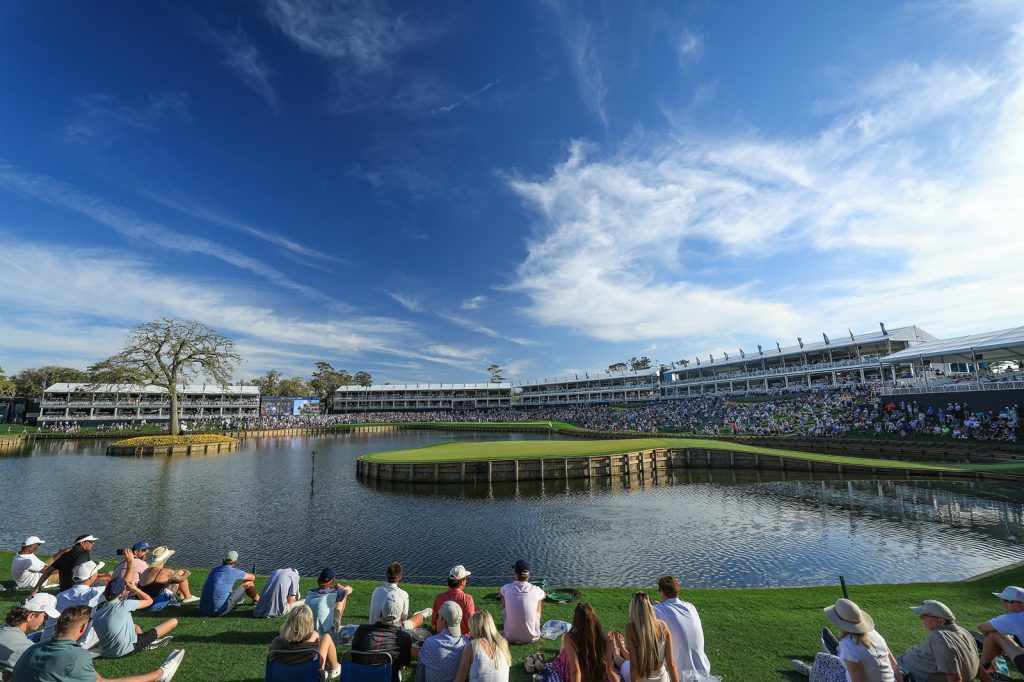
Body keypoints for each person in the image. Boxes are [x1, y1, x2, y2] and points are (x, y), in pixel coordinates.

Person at [11, 606, 184, 682]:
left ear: (56, 627)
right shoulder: (77, 656)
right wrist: (158, 673)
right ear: (84, 628)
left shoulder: (33, 648)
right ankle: (159, 674)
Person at [792, 598, 901, 682]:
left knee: (822, 671)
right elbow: (894, 666)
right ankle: (814, 671)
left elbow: (858, 680)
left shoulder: (848, 643)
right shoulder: (874, 633)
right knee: (821, 657)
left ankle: (810, 672)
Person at [92, 573, 178, 659]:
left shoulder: (97, 612)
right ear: (121, 592)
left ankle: (146, 644)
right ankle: (148, 644)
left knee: (135, 626)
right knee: (174, 621)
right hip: (127, 650)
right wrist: (135, 589)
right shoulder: (124, 605)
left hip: (108, 653)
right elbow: (149, 601)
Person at [898, 600, 978, 682]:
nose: (920, 617)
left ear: (940, 621)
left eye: (924, 616)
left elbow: (955, 678)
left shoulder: (940, 637)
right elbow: (978, 665)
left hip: (911, 673)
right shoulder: (964, 632)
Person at [652, 576, 711, 679]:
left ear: (662, 591)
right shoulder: (690, 607)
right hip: (702, 668)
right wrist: (660, 607)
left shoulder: (657, 610)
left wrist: (656, 607)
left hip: (678, 674)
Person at [612, 592, 679, 682]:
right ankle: (622, 649)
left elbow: (634, 666)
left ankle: (616, 652)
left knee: (625, 663)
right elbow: (671, 664)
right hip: (662, 679)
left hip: (642, 678)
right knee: (638, 657)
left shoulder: (631, 628)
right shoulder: (663, 627)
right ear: (650, 608)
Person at [545, 602, 617, 682]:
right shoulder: (604, 636)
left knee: (563, 654)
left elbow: (575, 671)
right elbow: (610, 670)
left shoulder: (570, 638)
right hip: (598, 675)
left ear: (576, 619)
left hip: (581, 678)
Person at [267, 604, 341, 680]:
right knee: (326, 638)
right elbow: (320, 664)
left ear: (288, 621)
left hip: (282, 678)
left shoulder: (276, 642)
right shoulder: (310, 649)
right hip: (308, 678)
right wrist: (314, 636)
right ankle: (335, 668)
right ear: (309, 623)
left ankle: (335, 668)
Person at [351, 598, 413, 682]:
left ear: (380, 612)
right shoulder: (404, 637)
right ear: (401, 616)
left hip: (357, 678)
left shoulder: (361, 629)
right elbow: (403, 664)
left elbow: (354, 653)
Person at [1, 596, 59, 680]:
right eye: (45, 616)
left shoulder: (4, 630)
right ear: (31, 616)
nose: (44, 621)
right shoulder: (27, 648)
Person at [416, 601, 470, 682]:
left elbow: (419, 676)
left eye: (438, 616)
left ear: (443, 622)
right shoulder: (467, 643)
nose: (436, 619)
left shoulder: (429, 643)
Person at [979, 586, 1024, 681]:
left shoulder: (1013, 619)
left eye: (1005, 600)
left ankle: (982, 666)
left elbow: (982, 627)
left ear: (1020, 604)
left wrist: (1001, 645)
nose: (1002, 602)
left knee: (994, 633)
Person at [32, 535, 103, 594]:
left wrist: (37, 588)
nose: (93, 544)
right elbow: (75, 570)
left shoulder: (65, 554)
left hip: (63, 590)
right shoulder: (84, 553)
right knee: (105, 581)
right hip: (75, 589)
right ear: (82, 543)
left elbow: (48, 571)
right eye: (91, 542)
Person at [370, 562, 431, 631]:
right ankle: (423, 614)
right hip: (395, 630)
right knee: (415, 619)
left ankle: (421, 614)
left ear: (387, 575)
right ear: (400, 577)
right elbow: (404, 617)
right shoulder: (403, 594)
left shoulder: (377, 590)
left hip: (373, 627)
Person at [453, 610, 511, 682]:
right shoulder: (503, 645)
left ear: (475, 629)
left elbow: (459, 680)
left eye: (471, 629)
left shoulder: (472, 647)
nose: (470, 633)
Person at [198, 550, 258, 617]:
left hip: (202, 610)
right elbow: (252, 578)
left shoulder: (214, 570)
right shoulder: (234, 572)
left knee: (227, 587)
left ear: (223, 560)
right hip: (218, 612)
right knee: (248, 583)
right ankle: (259, 601)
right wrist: (251, 575)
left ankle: (237, 601)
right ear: (236, 561)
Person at [498, 559, 545, 645]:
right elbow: (544, 595)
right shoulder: (536, 589)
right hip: (532, 636)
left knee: (503, 596)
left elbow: (501, 592)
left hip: (509, 636)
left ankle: (508, 623)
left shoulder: (506, 588)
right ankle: (534, 625)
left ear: (515, 574)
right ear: (528, 575)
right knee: (539, 599)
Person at [305, 568, 354, 635]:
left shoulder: (310, 593)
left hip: (309, 632)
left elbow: (325, 588)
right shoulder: (334, 594)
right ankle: (337, 625)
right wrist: (341, 588)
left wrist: (334, 586)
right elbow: (350, 589)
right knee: (342, 597)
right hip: (326, 633)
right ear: (333, 579)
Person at [432, 566, 476, 637]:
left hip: (441, 638)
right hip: (462, 640)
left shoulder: (439, 597)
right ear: (462, 582)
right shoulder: (467, 599)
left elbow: (434, 625)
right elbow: (473, 625)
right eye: (465, 579)